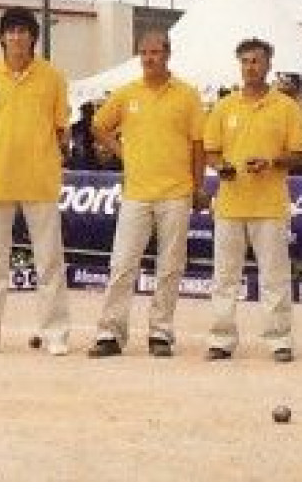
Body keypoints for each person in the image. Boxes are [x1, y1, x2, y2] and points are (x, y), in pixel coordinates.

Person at [85, 31, 206, 359]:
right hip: (136, 192)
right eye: (144, 53)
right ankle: (110, 332)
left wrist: (198, 187)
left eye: (155, 52)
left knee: (170, 267)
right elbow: (98, 126)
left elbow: (198, 145)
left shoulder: (188, 95)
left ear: (168, 54)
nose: (149, 58)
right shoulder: (127, 94)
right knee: (122, 264)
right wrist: (121, 151)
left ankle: (161, 333)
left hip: (176, 193)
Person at [0, 7, 70, 356]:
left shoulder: (53, 78)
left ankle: (55, 334)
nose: (17, 37)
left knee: (49, 262)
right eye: (11, 31)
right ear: (2, 37)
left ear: (34, 37)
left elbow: (60, 128)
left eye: (24, 31)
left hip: (40, 180)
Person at [203, 38, 302, 363]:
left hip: (270, 205)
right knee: (224, 276)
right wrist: (221, 167)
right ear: (239, 65)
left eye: (257, 61)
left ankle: (280, 339)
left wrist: (273, 162)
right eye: (246, 61)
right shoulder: (224, 106)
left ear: (268, 65)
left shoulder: (286, 107)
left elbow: (301, 155)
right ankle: (221, 338)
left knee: (274, 275)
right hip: (231, 203)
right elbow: (210, 149)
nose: (251, 67)